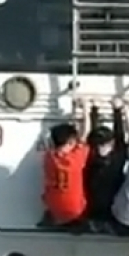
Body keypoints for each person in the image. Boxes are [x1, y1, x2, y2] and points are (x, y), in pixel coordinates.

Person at [39, 98, 92, 229]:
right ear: (69, 142)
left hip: (54, 207)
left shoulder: (49, 157)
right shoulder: (75, 159)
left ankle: (56, 218)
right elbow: (85, 133)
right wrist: (85, 108)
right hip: (76, 209)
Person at [83, 97, 129, 223]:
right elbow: (120, 136)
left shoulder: (89, 156)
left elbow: (92, 136)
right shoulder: (118, 156)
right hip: (112, 208)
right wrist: (118, 111)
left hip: (93, 208)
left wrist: (93, 110)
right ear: (111, 143)